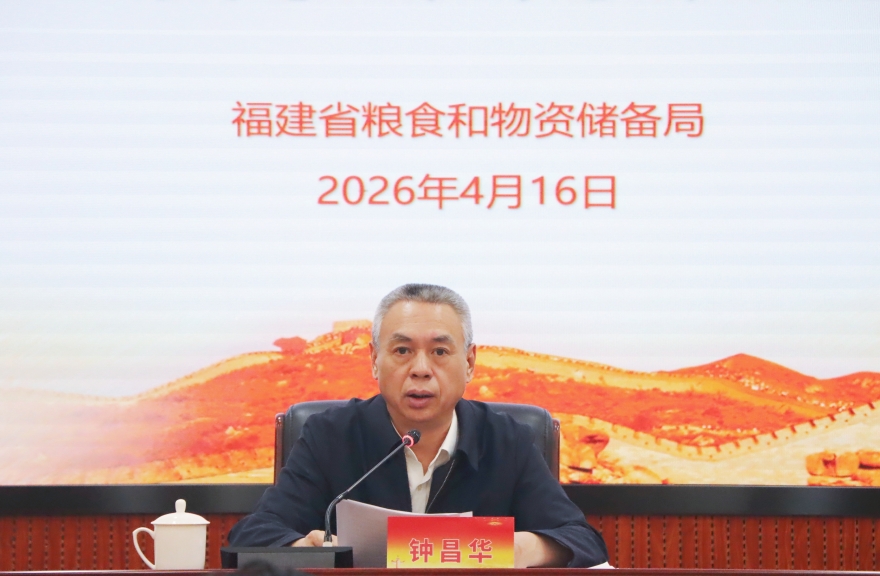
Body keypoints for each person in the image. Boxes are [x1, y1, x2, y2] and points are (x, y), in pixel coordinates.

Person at [229, 284, 609, 568]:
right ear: (375, 360)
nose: (421, 369)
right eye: (402, 351)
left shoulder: (507, 441)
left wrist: (520, 548)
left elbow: (582, 541)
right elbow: (251, 537)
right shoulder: (330, 436)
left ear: (470, 363)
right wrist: (304, 549)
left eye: (440, 351)